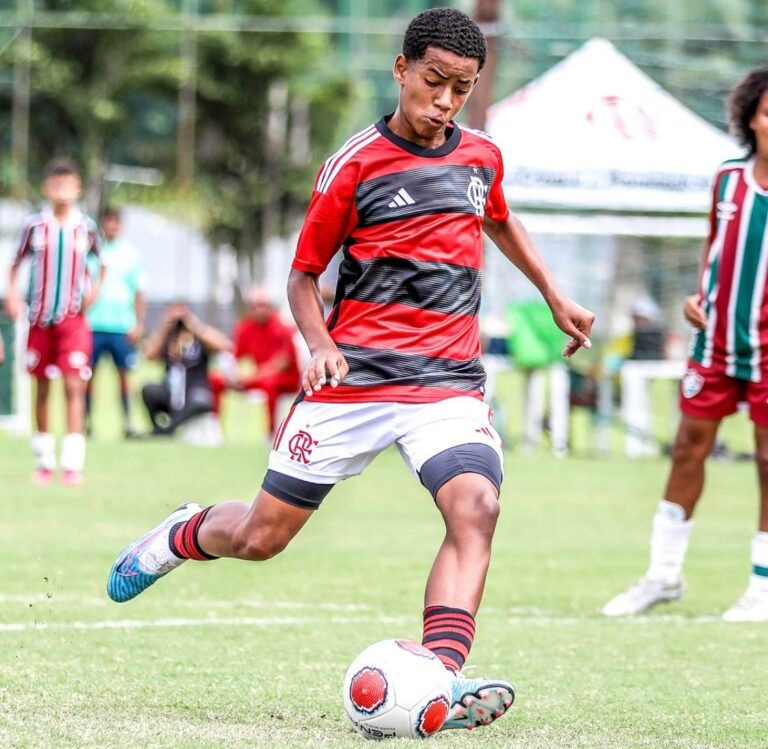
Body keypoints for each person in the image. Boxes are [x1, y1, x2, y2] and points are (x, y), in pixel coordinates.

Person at [107, 8, 594, 732]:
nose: (445, 101)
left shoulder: (481, 156)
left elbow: (498, 216)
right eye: (434, 82)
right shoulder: (355, 164)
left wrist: (554, 293)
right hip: (354, 383)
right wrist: (319, 344)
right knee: (261, 539)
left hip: (446, 385)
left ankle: (438, 679)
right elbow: (303, 276)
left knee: (476, 508)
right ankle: (187, 529)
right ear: (401, 70)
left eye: (461, 88)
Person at [603, 66, 768, 622]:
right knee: (687, 448)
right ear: (750, 118)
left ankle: (762, 586)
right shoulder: (727, 178)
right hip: (717, 342)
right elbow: (716, 250)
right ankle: (663, 575)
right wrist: (697, 297)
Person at [4, 158, 103, 485]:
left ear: (77, 189)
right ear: (48, 188)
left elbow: (102, 263)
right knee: (42, 387)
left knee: (75, 385)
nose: (62, 191)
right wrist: (14, 297)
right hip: (40, 319)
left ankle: (72, 464)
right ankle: (44, 461)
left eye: (68, 185)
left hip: (73, 320)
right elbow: (16, 264)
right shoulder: (35, 225)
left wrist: (94, 293)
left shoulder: (85, 227)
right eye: (56, 185)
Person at [86, 207, 147, 438]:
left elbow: (139, 291)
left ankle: (127, 422)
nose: (111, 226)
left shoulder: (131, 254)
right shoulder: (91, 251)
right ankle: (86, 422)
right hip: (94, 324)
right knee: (88, 375)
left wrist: (139, 323)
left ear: (121, 225)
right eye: (108, 222)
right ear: (103, 223)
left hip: (121, 325)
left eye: (115, 222)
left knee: (124, 375)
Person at [208, 285, 300, 439]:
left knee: (270, 383)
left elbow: (281, 364)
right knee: (215, 379)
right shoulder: (245, 327)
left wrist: (251, 377)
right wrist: (233, 373)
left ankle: (270, 434)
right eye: (256, 306)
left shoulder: (282, 328)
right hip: (257, 377)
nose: (260, 310)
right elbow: (234, 356)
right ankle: (214, 429)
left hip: (285, 380)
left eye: (263, 305)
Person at [141, 302, 232, 436]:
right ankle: (160, 428)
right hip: (171, 391)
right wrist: (164, 328)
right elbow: (149, 355)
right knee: (149, 390)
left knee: (201, 401)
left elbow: (224, 345)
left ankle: (167, 430)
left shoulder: (199, 336)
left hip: (195, 390)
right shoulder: (167, 338)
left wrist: (195, 326)